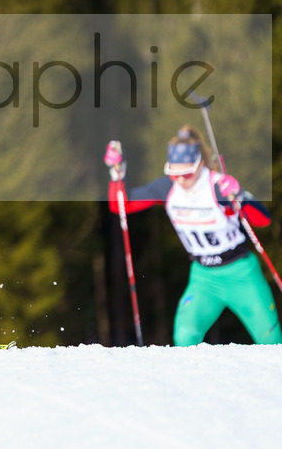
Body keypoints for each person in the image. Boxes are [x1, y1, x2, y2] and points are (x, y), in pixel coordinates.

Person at [103, 126, 281, 346]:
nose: (180, 180)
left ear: (199, 165)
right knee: (185, 336)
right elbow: (122, 205)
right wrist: (116, 174)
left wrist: (241, 196)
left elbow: (262, 220)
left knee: (271, 341)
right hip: (204, 278)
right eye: (174, 173)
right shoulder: (169, 187)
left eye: (186, 173)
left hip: (241, 273)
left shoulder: (217, 186)